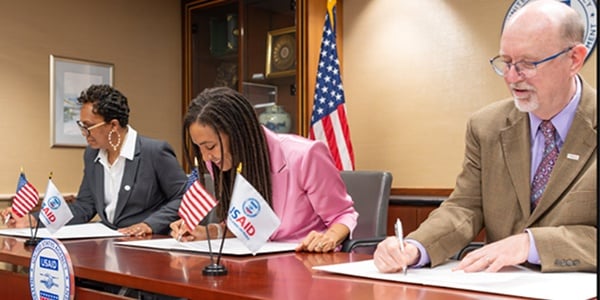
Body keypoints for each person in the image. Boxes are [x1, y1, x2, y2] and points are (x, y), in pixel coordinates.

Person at [374, 0, 596, 273]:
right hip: (500, 288)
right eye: (507, 62)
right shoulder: (486, 126)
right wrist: (414, 247)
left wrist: (532, 244)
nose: (512, 78)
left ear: (574, 59)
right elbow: (466, 207)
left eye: (527, 63)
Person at [169, 86, 358, 252]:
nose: (205, 157)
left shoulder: (305, 155)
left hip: (304, 263)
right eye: (199, 148)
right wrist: (209, 231)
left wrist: (329, 237)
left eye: (210, 147)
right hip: (253, 265)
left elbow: (343, 214)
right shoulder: (220, 162)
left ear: (237, 134)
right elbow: (248, 224)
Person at [1, 84, 187, 236]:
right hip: (110, 246)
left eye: (88, 127)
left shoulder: (154, 152)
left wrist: (149, 224)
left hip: (148, 246)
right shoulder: (92, 155)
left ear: (113, 125)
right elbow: (84, 207)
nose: (84, 134)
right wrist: (34, 219)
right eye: (82, 126)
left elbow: (184, 196)